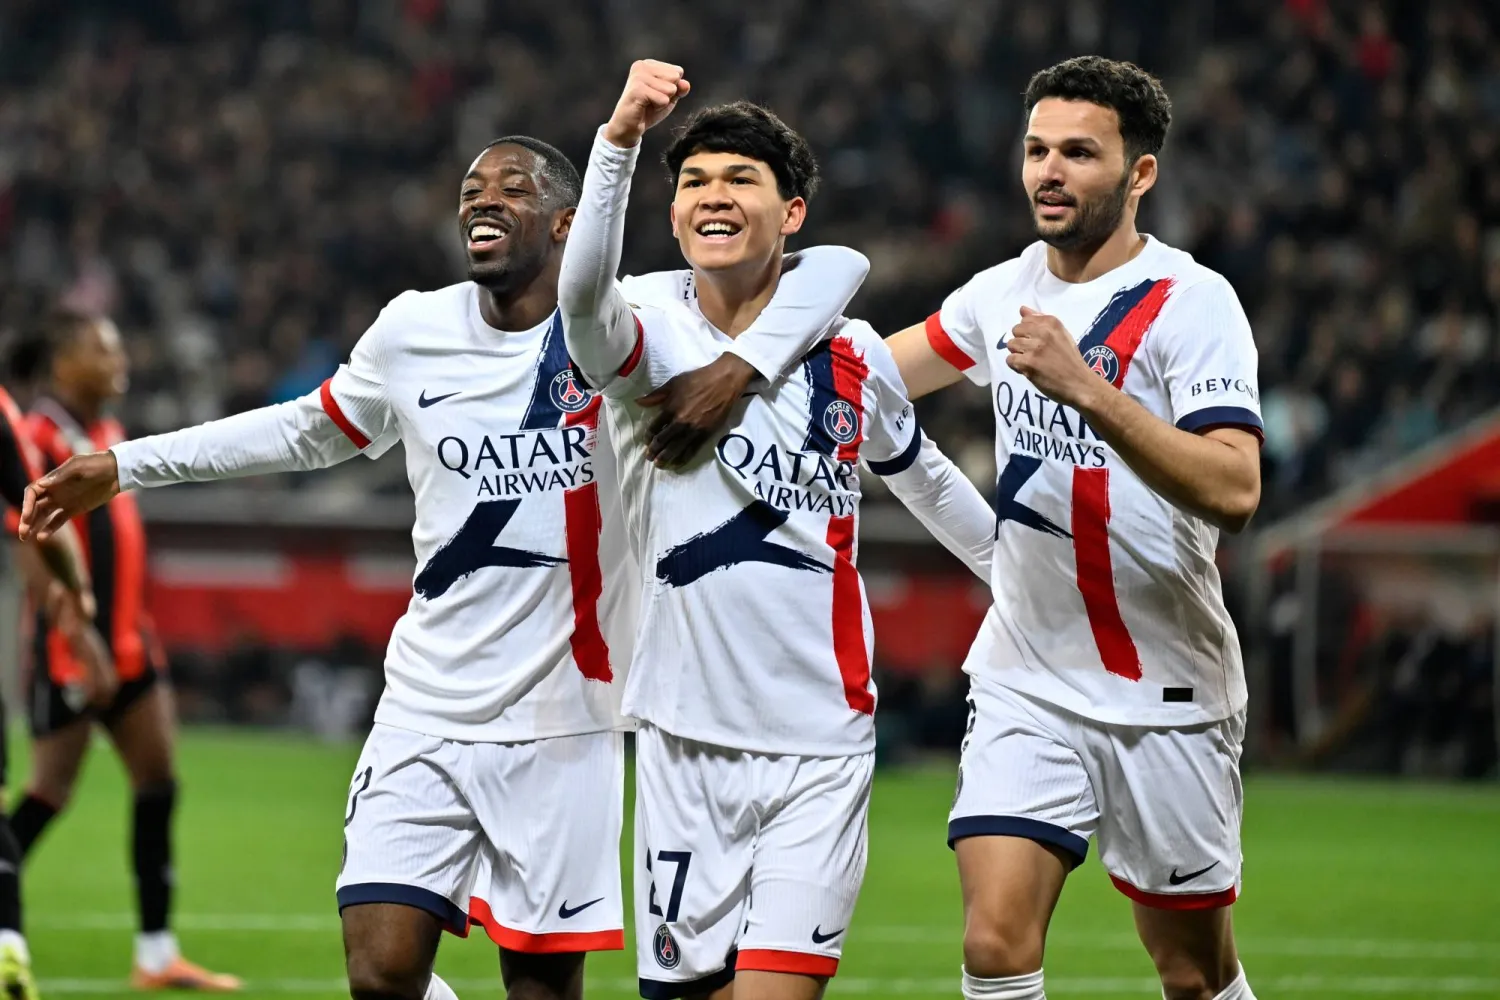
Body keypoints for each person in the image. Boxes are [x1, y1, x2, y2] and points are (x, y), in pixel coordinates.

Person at [19, 137, 872, 1000]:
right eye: (472, 189)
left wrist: (738, 365)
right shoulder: (413, 330)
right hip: (425, 703)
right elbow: (300, 431)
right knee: (379, 973)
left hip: (565, 721)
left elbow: (831, 266)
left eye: (513, 187)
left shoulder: (634, 330)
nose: (483, 201)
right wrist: (127, 467)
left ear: (569, 224)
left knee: (541, 991)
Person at [559, 61, 994, 1000]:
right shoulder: (646, 334)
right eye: (694, 184)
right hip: (680, 737)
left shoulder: (850, 355)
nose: (713, 196)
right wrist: (620, 142)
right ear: (672, 215)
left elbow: (927, 481)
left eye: (740, 180)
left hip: (821, 742)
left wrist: (1031, 578)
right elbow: (580, 302)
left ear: (791, 214)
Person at [882, 56, 1263, 1000]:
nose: (1049, 172)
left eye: (1080, 154)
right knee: (995, 945)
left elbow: (1236, 487)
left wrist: (1087, 389)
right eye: (1037, 150)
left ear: (1140, 174)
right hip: (1029, 674)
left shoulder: (1195, 302)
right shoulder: (995, 293)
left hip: (1167, 690)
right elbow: (874, 377)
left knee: (1192, 973)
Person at [9, 311, 241, 991]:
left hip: (131, 641)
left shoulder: (105, 435)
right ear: (61, 363)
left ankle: (155, 954)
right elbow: (27, 540)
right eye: (101, 349)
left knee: (159, 781)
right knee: (48, 793)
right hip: (72, 647)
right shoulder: (37, 434)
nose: (120, 359)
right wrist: (77, 637)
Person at [0, 381, 102, 1000]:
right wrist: (79, 596)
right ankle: (7, 946)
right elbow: (36, 508)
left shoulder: (97, 432)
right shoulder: (13, 417)